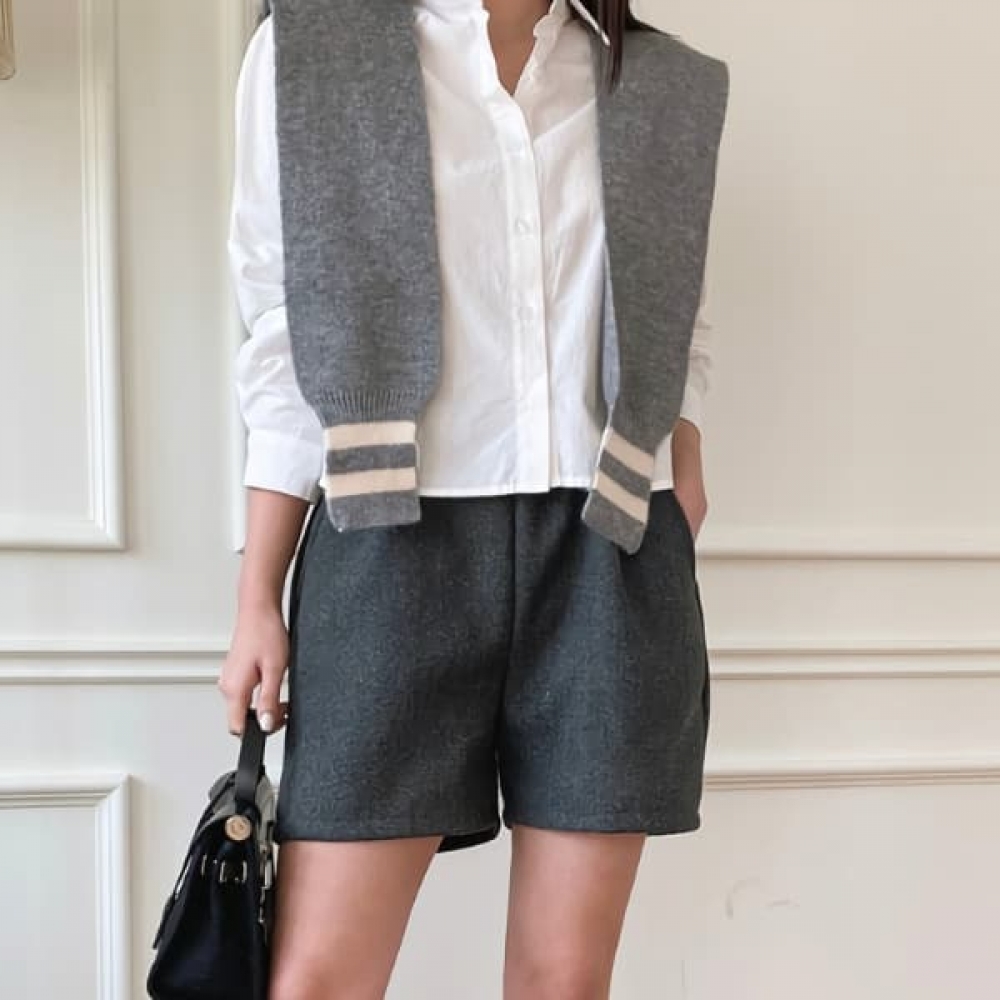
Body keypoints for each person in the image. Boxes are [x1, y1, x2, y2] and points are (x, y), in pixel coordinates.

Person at [222, 0, 728, 996]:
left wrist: (683, 468)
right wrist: (257, 596)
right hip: (388, 541)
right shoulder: (315, 49)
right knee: (319, 979)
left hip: (609, 549)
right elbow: (281, 333)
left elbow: (683, 321)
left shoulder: (663, 81)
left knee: (562, 980)